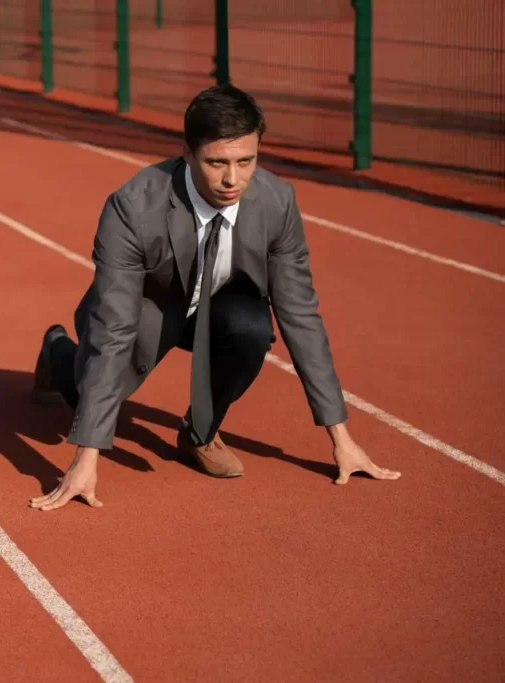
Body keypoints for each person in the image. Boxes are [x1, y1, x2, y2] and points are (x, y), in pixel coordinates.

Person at [29, 85, 400, 511]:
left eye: (247, 161)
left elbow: (300, 314)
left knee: (252, 329)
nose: (232, 179)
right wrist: (85, 457)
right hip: (151, 307)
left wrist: (342, 438)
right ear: (187, 153)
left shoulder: (276, 204)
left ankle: (199, 432)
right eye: (217, 162)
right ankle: (55, 349)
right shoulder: (133, 208)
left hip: (221, 304)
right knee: (87, 396)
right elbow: (113, 329)